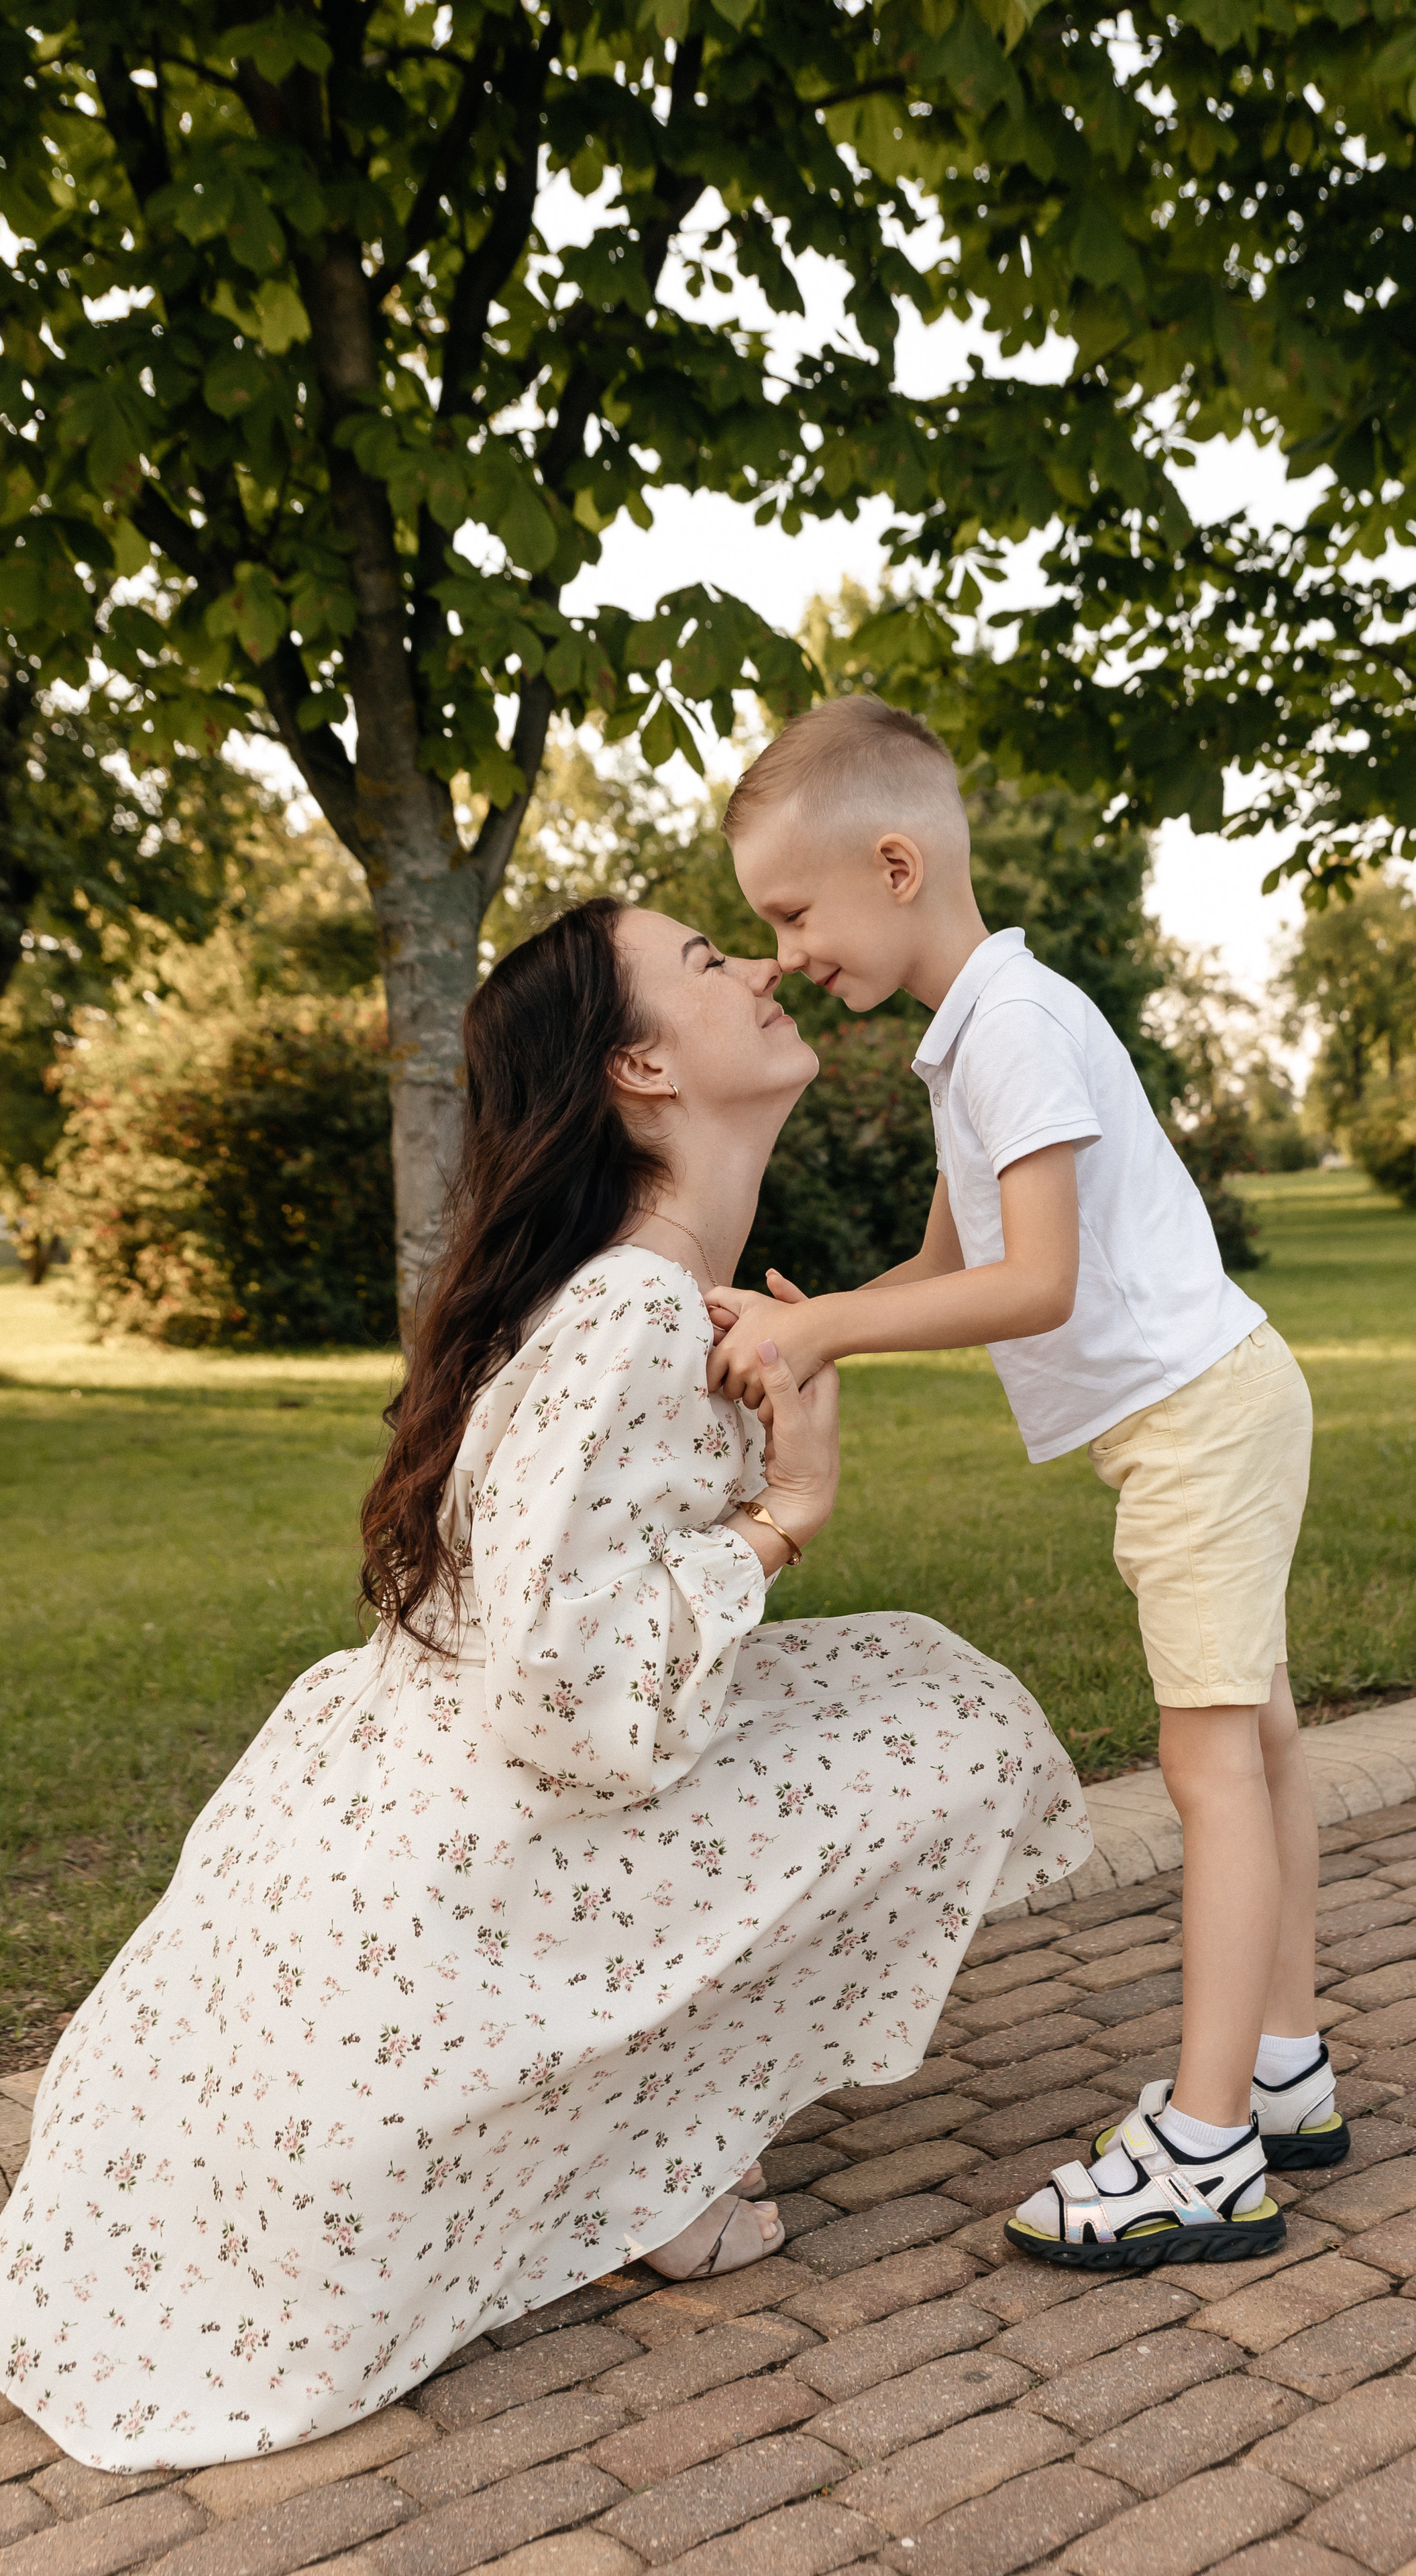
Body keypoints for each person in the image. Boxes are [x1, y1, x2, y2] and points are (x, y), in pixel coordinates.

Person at [0, 898, 1089, 2468]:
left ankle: (646, 2149)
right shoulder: (634, 1310)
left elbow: (967, 1254)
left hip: (440, 1804)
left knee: (897, 1694)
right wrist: (783, 1526)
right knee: (947, 1729)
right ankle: (644, 2161)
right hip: (475, 1855)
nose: (767, 963)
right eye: (714, 962)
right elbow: (576, 1702)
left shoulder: (629, 1285)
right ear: (641, 1063)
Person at [710, 696, 1341, 2273]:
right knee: (1254, 1743)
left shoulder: (1013, 1027)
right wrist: (828, 1324)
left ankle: (1205, 2156)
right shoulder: (973, 1031)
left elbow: (1039, 1282)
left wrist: (825, 1325)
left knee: (1207, 1767)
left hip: (1194, 1420)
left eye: (792, 914)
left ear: (897, 863)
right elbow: (951, 1264)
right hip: (1207, 1405)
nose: (786, 955)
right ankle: (1284, 2074)